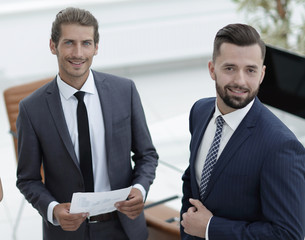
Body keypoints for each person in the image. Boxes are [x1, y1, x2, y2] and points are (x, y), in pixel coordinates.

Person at [16, 7, 158, 240]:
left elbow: (147, 155)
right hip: (67, 232)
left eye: (86, 43)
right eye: (69, 43)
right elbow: (27, 179)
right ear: (53, 46)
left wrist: (140, 189)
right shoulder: (32, 109)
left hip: (124, 227)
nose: (78, 53)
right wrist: (53, 210)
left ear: (96, 47)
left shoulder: (125, 91)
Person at [180, 23, 305, 240]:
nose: (240, 80)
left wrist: (210, 228)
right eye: (230, 68)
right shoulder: (199, 111)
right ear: (212, 69)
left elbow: (289, 234)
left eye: (250, 70)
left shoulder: (280, 145)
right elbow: (192, 180)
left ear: (262, 74)